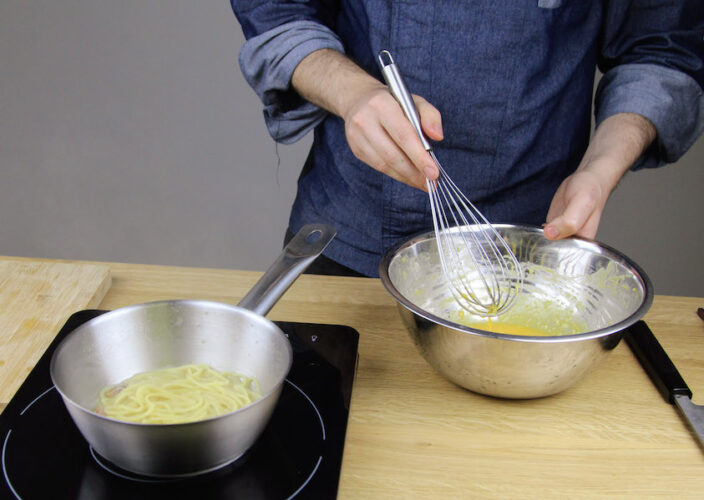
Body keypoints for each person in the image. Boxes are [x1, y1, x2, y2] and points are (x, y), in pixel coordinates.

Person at [230, 1, 704, 277]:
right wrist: (354, 93)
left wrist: (599, 170)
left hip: (529, 252)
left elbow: (661, 48)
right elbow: (277, 11)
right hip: (346, 238)